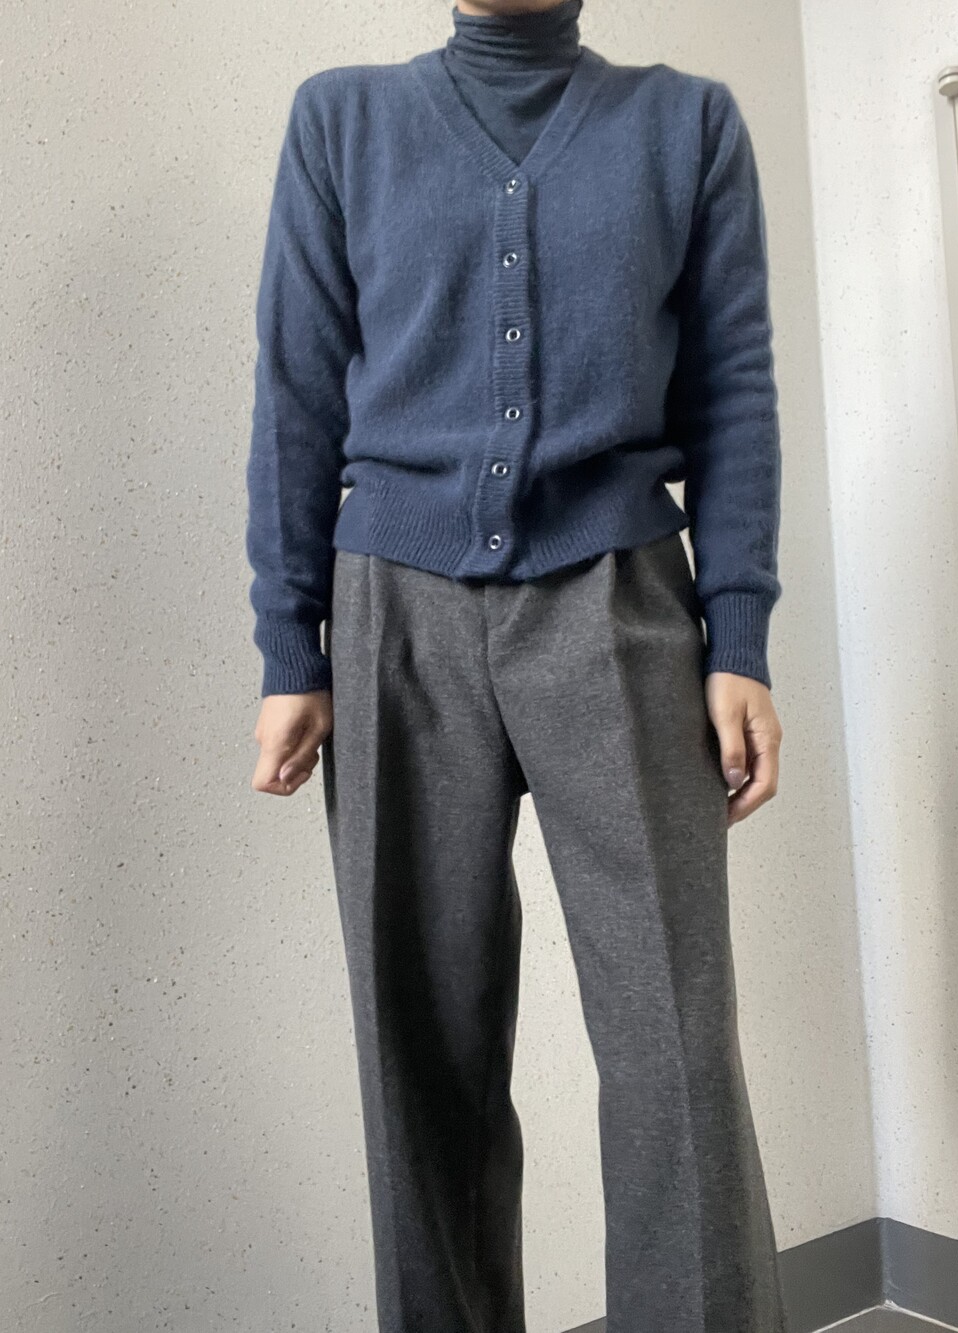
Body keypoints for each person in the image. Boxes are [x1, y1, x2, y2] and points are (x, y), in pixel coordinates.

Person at [245, 1, 787, 1329]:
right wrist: (290, 643)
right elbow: (296, 389)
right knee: (420, 1047)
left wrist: (740, 633)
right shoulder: (342, 122)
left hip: (624, 603)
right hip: (395, 617)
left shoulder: (686, 125)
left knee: (673, 1049)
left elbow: (733, 389)